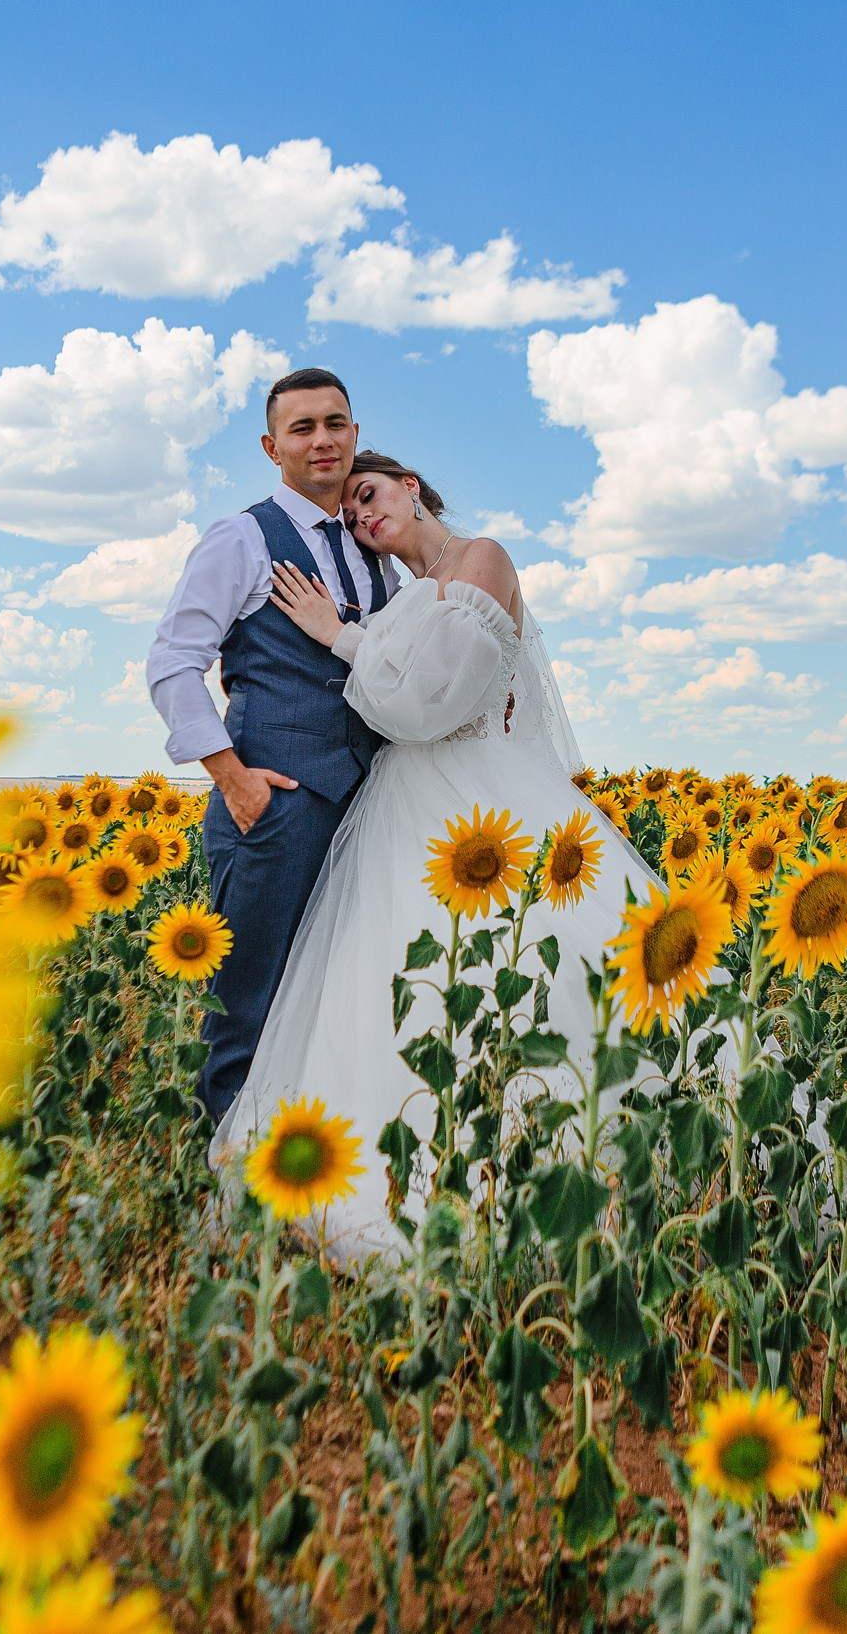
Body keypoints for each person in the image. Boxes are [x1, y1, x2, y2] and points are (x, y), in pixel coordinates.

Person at [211, 450, 669, 1259]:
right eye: (350, 514)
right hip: (401, 811)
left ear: (410, 487)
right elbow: (394, 704)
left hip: (483, 802)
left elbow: (429, 703)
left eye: (370, 493)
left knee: (520, 965)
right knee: (386, 986)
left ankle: (546, 1167)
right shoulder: (398, 594)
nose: (361, 515)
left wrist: (341, 638)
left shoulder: (481, 558)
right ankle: (397, 1171)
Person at [145, 368, 393, 1130]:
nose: (323, 440)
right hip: (274, 808)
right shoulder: (242, 537)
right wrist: (232, 777)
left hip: (365, 808)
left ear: (355, 433)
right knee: (247, 1004)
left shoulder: (371, 550)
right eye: (303, 428)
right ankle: (220, 1189)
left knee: (330, 998)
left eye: (336, 423)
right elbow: (172, 662)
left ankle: (297, 1173)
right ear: (270, 445)